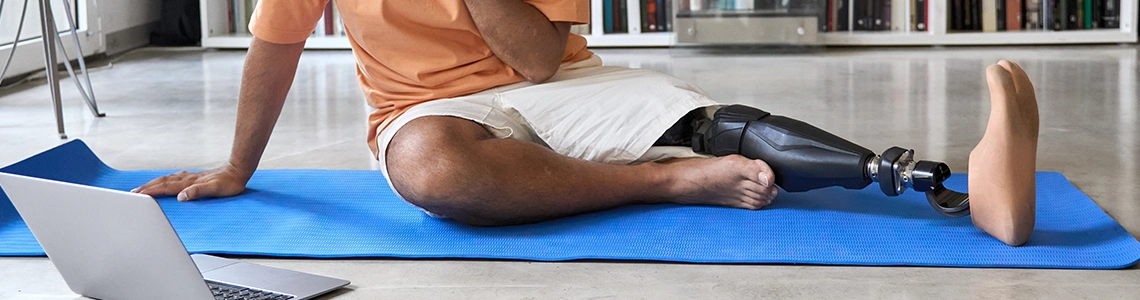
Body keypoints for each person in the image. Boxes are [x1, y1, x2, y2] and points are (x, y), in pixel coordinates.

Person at [133, 0, 1039, 246]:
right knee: (435, 174)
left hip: (562, 84)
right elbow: (274, 50)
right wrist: (237, 168)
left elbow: (534, 62)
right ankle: (668, 182)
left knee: (721, 124)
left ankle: (942, 184)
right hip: (424, 108)